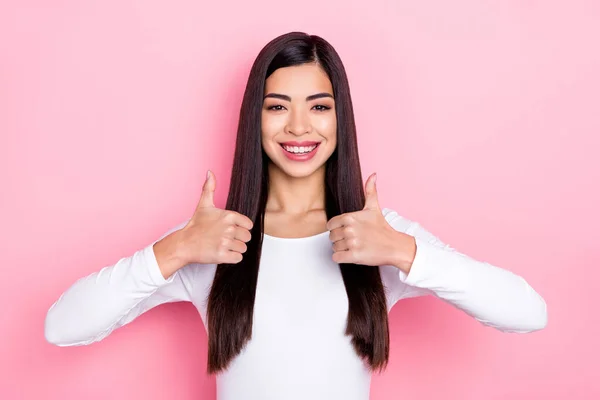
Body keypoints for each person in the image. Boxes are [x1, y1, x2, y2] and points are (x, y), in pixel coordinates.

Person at [44, 31, 547, 400]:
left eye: (320, 107)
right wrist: (173, 250)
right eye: (278, 107)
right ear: (255, 119)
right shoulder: (215, 238)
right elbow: (63, 327)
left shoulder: (378, 236)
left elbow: (527, 313)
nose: (300, 127)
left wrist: (402, 251)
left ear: (339, 117)